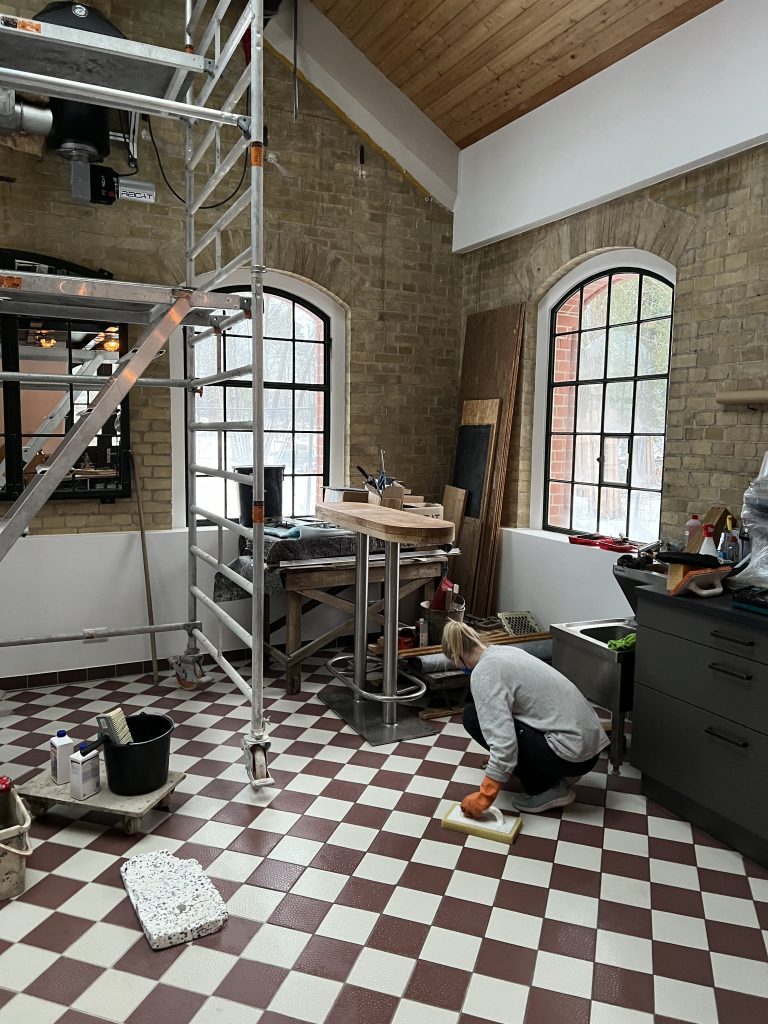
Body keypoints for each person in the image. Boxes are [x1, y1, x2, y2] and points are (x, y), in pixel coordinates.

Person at [442, 620, 609, 818]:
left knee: (472, 717)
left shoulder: (484, 674)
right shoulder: (505, 652)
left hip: (573, 755)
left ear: (456, 657)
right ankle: (557, 772)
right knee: (492, 718)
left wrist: (486, 794)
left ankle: (545, 788)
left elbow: (503, 740)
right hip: (589, 746)